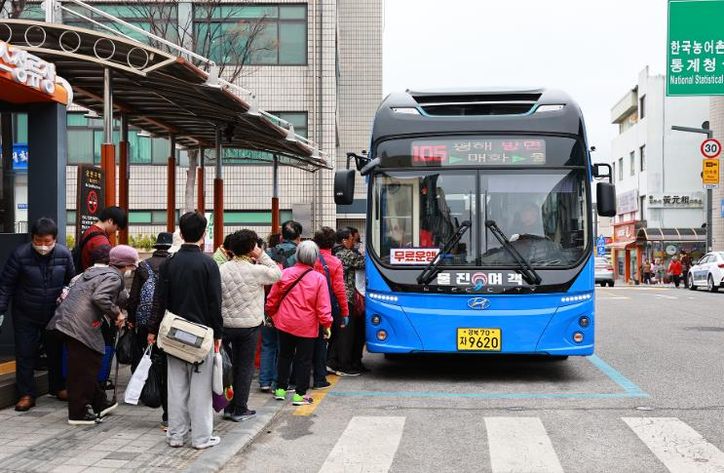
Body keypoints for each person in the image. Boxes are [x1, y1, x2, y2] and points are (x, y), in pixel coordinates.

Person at [148, 212, 223, 450]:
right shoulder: (209, 264)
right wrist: (218, 334)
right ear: (203, 234)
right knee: (201, 391)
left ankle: (176, 436)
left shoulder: (169, 264)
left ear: (180, 233)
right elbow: (215, 302)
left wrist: (153, 329)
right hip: (202, 335)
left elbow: (159, 300)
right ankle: (201, 438)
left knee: (176, 388)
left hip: (174, 334)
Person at [48, 245, 137, 425]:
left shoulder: (94, 272)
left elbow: (118, 297)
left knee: (87, 364)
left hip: (66, 321)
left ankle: (99, 403)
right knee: (84, 368)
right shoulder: (114, 277)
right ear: (127, 265)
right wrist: (118, 314)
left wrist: (122, 306)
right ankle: (78, 413)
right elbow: (100, 297)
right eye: (132, 266)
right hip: (80, 325)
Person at [0, 218, 75, 411]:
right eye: (38, 241)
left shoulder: (64, 254)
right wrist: (1, 310)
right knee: (25, 353)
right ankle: (26, 394)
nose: (43, 246)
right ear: (32, 238)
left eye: (47, 241)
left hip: (53, 313)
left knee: (56, 352)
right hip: (25, 313)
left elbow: (72, 282)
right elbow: (6, 285)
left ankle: (58, 387)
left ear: (55, 239)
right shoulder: (19, 255)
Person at [220, 230, 281, 421]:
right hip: (249, 326)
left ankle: (227, 406)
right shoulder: (257, 271)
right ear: (251, 248)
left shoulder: (222, 269)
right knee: (244, 367)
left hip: (225, 325)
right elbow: (277, 273)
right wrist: (261, 255)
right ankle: (240, 409)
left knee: (227, 366)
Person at [265, 241, 332, 406]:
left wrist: (271, 314)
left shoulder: (285, 273)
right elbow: (323, 306)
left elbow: (272, 298)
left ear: (297, 255)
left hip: (284, 322)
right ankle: (299, 395)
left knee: (284, 356)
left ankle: (280, 390)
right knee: (304, 360)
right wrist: (326, 324)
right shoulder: (319, 278)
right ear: (315, 258)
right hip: (307, 326)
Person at [126, 231, 173, 428]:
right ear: (169, 246)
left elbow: (134, 296)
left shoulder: (143, 266)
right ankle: (163, 394)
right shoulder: (172, 263)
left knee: (144, 355)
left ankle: (146, 391)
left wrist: (131, 319)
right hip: (166, 319)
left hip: (144, 319)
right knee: (164, 360)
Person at [259, 222, 302, 392]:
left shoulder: (268, 253)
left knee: (268, 344)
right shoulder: (299, 255)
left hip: (268, 303)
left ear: (282, 236)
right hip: (289, 306)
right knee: (285, 347)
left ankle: (264, 381)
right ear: (299, 237)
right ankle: (279, 382)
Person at [313, 227, 352, 381]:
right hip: (327, 306)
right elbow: (339, 289)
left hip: (308, 305)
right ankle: (320, 375)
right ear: (333, 243)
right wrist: (345, 312)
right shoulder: (335, 262)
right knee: (326, 339)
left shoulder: (309, 259)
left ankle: (303, 376)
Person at [335, 227, 367, 372]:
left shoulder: (337, 252)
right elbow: (365, 263)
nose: (354, 243)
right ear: (344, 240)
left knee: (349, 333)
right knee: (347, 334)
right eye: (353, 239)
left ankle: (349, 362)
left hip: (345, 297)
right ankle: (344, 365)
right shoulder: (344, 254)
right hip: (346, 298)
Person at [78, 206, 128, 272]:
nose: (115, 231)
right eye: (117, 228)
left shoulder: (90, 231)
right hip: (95, 277)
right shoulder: (100, 240)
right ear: (110, 221)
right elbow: (105, 270)